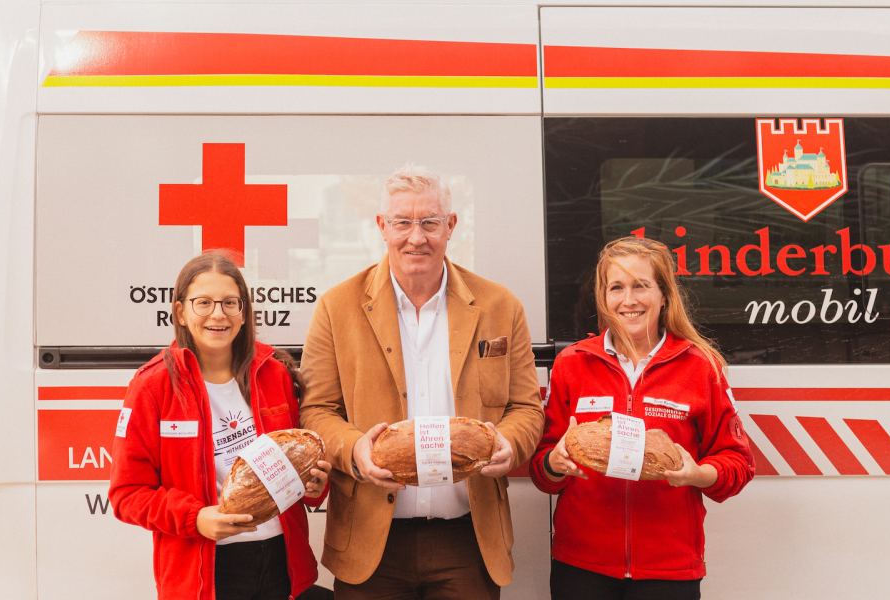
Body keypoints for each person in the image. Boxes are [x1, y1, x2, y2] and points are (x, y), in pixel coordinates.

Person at [300, 165, 544, 599]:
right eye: (403, 222)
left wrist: (509, 443)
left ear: (450, 225)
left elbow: (526, 408)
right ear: (382, 226)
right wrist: (356, 449)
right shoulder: (337, 307)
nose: (417, 237)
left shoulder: (499, 305)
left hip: (468, 537)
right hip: (370, 538)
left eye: (430, 222)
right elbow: (317, 411)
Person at [529, 236, 754, 600]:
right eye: (616, 287)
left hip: (669, 571)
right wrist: (555, 463)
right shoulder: (573, 363)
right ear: (603, 297)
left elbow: (738, 464)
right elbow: (541, 470)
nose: (628, 300)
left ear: (664, 295)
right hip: (582, 568)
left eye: (641, 286)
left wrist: (697, 474)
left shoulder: (700, 367)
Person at [109, 250, 332, 600]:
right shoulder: (153, 386)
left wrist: (316, 483)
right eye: (203, 303)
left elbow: (302, 471)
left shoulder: (273, 373)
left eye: (230, 302)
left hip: (281, 563)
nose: (218, 314)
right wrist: (196, 519)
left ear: (244, 313)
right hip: (205, 572)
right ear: (180, 312)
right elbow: (126, 494)